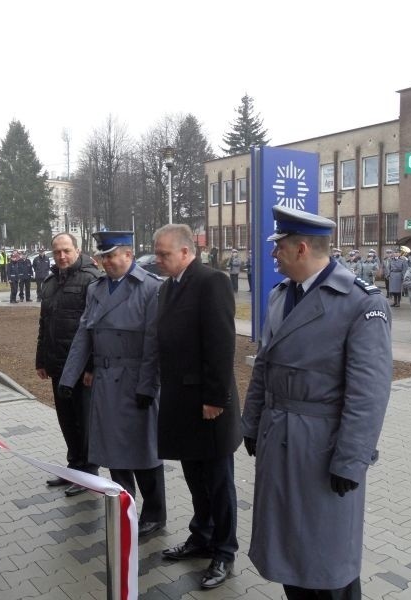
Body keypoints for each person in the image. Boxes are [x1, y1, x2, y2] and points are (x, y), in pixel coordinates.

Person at [241, 205, 392, 600]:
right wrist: (251, 422)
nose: (273, 255)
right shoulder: (280, 296)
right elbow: (263, 365)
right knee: (290, 551)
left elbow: (369, 394)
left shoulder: (359, 302)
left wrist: (351, 459)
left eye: (280, 248)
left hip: (321, 449)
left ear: (301, 248)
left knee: (327, 560)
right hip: (280, 438)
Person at [59, 231, 166, 537]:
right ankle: (125, 505)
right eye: (102, 256)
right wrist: (69, 377)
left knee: (144, 451)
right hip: (106, 381)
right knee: (114, 452)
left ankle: (155, 514)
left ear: (128, 255)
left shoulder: (149, 288)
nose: (104, 262)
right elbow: (84, 334)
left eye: (110, 255)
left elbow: (154, 343)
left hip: (136, 381)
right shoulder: (97, 289)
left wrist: (148, 385)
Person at [154, 224, 242, 590]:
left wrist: (214, 399)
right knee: (195, 477)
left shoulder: (211, 282)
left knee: (218, 481)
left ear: (187, 252)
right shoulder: (167, 288)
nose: (158, 260)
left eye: (164, 254)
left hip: (208, 404)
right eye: (157, 254)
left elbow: (221, 344)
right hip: (180, 401)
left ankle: (223, 550)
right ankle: (201, 536)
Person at [36, 233, 102, 497]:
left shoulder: (91, 279)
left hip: (81, 369)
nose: (61, 256)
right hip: (57, 365)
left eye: (66, 251)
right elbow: (44, 323)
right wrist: (41, 359)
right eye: (57, 252)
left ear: (77, 250)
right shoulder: (51, 282)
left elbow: (97, 328)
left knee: (83, 422)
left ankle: (89, 474)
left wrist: (91, 367)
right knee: (66, 419)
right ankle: (74, 467)